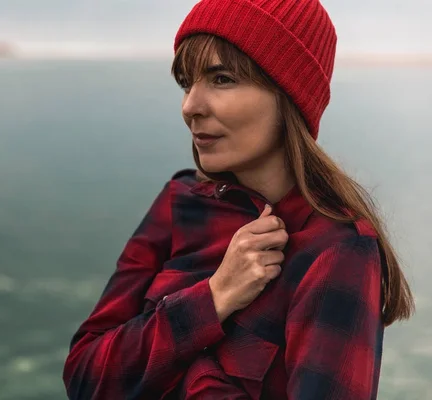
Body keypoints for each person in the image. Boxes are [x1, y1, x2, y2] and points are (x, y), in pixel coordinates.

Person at [62, 0, 415, 398]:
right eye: (186, 83)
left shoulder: (337, 250)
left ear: (289, 95)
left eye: (222, 79)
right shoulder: (181, 202)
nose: (190, 107)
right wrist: (212, 298)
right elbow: (83, 376)